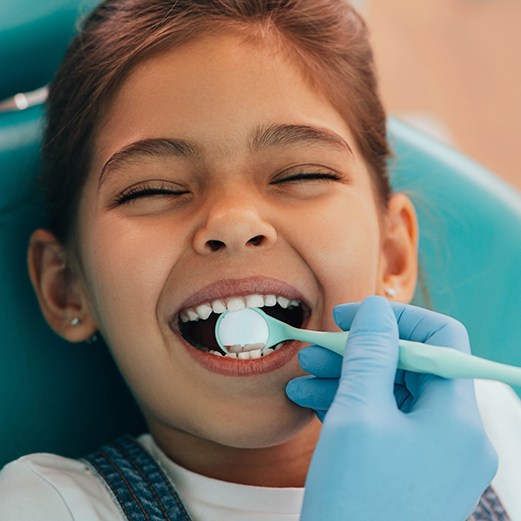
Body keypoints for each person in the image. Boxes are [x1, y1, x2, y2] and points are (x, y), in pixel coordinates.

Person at [0, 0, 519, 519]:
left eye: (300, 175)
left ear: (394, 254)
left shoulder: (493, 432)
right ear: (66, 286)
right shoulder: (46, 507)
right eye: (153, 189)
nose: (233, 222)